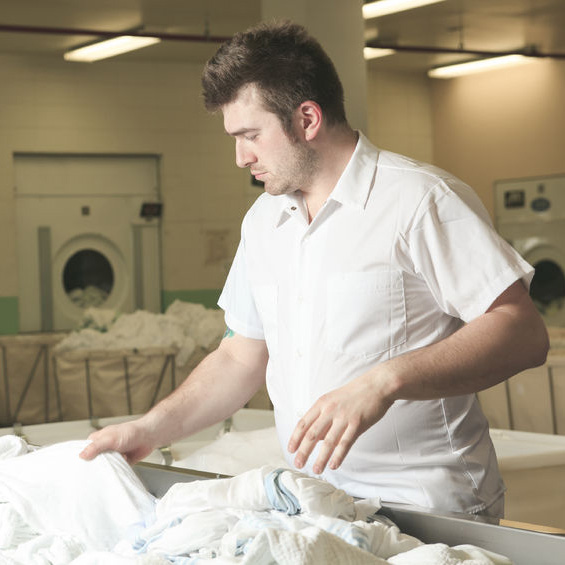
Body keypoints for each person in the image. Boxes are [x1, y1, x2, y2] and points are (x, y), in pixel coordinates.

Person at [80, 20, 549, 518]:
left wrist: (384, 381)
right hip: (316, 503)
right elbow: (241, 357)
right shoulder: (263, 222)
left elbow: (522, 333)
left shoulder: (419, 200)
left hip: (429, 507)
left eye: (250, 135)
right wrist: (149, 430)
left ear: (307, 119)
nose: (240, 157)